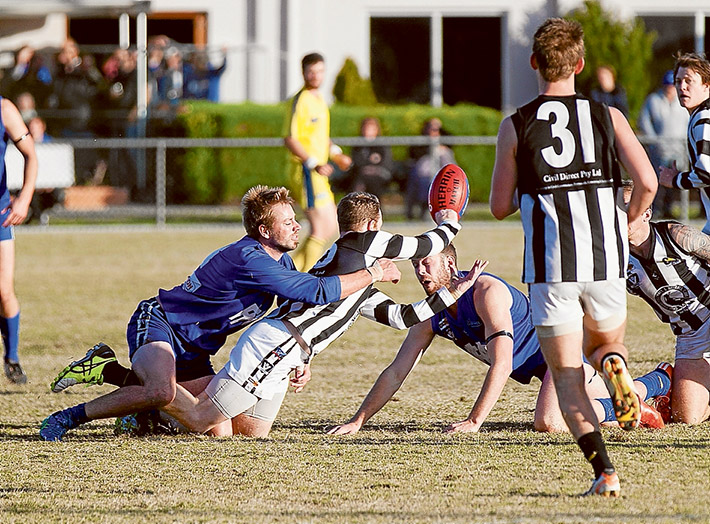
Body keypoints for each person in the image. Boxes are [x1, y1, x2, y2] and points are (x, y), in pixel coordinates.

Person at [39, 186, 401, 441]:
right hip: (162, 323)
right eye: (287, 221)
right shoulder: (251, 259)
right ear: (264, 231)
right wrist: (374, 272)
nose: (296, 225)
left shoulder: (281, 259)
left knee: (221, 431)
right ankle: (69, 417)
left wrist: (298, 356)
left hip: (197, 350)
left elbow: (299, 306)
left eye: (294, 218)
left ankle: (124, 388)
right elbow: (315, 290)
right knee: (163, 390)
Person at [489, 18, 657, 497]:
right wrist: (626, 222)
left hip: (550, 267)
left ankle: (604, 473)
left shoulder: (515, 125)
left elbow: (499, 206)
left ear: (534, 64)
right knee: (605, 348)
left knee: (565, 377)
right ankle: (614, 364)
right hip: (605, 260)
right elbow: (646, 182)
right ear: (580, 65)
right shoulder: (609, 117)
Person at [153, 193, 475, 438]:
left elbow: (402, 317)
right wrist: (451, 219)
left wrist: (453, 293)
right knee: (202, 418)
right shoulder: (362, 243)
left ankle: (174, 397)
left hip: (288, 350)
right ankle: (151, 405)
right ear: (373, 224)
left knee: (248, 433)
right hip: (276, 343)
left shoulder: (354, 276)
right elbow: (424, 245)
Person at [328, 244, 671, 436]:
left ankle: (640, 399)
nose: (420, 272)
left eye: (427, 264)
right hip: (544, 367)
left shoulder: (485, 292)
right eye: (416, 264)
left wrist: (474, 422)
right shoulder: (433, 309)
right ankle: (660, 379)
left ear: (450, 262)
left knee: (549, 422)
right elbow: (397, 370)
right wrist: (359, 420)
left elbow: (503, 362)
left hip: (562, 352)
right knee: (599, 396)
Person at [624, 182, 710, 425]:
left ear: (647, 212)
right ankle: (664, 379)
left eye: (628, 209)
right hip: (690, 334)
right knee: (686, 418)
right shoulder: (613, 259)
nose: (619, 216)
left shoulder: (675, 235)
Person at [284, 52, 351, 271]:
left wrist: (336, 153)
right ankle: (300, 280)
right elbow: (290, 138)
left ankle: (289, 274)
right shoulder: (300, 101)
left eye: (320, 71)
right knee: (320, 228)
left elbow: (321, 137)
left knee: (330, 225)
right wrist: (314, 163)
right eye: (311, 71)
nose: (315, 76)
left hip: (318, 174)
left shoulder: (320, 100)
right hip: (305, 171)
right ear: (303, 72)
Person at [0, 96, 38, 383]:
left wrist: (24, 198)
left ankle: (11, 356)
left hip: (0, 215)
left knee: (3, 291)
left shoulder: (5, 109)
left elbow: (31, 155)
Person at [659, 53, 710, 234]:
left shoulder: (703, 118)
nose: (682, 87)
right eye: (678, 81)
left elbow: (706, 173)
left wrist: (675, 180)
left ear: (706, 85)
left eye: (689, 81)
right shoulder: (700, 115)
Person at [639, 70, 689, 218]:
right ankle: (656, 209)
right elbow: (645, 121)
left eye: (672, 85)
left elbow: (687, 122)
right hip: (659, 149)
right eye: (667, 86)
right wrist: (655, 140)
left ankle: (670, 208)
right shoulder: (654, 100)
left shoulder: (682, 102)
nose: (670, 89)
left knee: (674, 181)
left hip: (678, 149)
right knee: (658, 181)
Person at [406, 118, 455, 220]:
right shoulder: (419, 145)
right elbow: (418, 166)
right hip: (423, 176)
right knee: (425, 184)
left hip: (442, 177)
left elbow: (451, 166)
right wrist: (431, 149)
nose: (434, 132)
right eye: (431, 128)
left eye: (437, 129)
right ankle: (426, 210)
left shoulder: (445, 148)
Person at [350, 117, 394, 199]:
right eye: (365, 129)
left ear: (376, 130)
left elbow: (386, 164)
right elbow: (357, 162)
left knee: (373, 183)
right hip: (362, 175)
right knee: (359, 182)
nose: (367, 132)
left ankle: (375, 208)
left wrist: (373, 168)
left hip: (380, 175)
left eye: (370, 129)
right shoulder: (358, 145)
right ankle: (356, 207)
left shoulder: (382, 145)